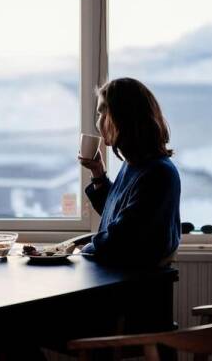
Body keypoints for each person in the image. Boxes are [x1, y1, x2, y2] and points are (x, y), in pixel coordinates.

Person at [78, 77, 181, 267]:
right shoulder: (135, 165)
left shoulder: (157, 174)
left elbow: (120, 240)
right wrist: (98, 172)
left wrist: (83, 250)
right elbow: (118, 215)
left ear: (121, 118)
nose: (98, 123)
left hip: (135, 280)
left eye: (102, 113)